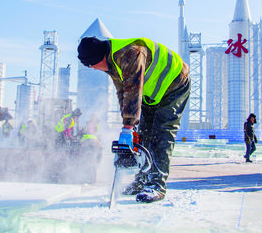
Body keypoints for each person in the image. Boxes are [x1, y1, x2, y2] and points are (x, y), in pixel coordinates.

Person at [77, 36, 190, 203]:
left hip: (175, 84)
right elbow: (122, 93)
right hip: (152, 93)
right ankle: (142, 181)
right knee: (143, 135)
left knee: (161, 134)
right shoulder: (111, 65)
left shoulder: (130, 54)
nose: (93, 69)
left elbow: (133, 90)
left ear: (98, 57)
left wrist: (127, 127)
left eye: (91, 64)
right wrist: (129, 125)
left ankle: (156, 186)